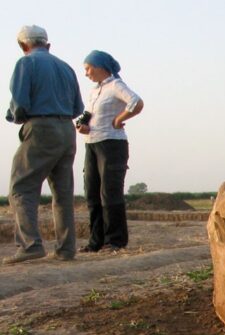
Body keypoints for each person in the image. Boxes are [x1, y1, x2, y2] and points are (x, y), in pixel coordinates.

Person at [4, 25, 84, 264]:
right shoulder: (66, 67)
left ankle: (30, 245)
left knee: (21, 188)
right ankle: (66, 249)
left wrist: (15, 117)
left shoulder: (26, 63)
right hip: (67, 129)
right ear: (47, 45)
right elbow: (78, 108)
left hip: (41, 127)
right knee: (63, 192)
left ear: (23, 46)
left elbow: (19, 104)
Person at [77, 50, 143, 253]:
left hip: (112, 143)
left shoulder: (115, 85)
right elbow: (90, 115)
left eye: (88, 68)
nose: (86, 73)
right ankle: (96, 241)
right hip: (92, 142)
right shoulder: (94, 91)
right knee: (92, 193)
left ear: (100, 67)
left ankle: (115, 240)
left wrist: (119, 119)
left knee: (110, 192)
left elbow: (136, 102)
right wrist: (84, 126)